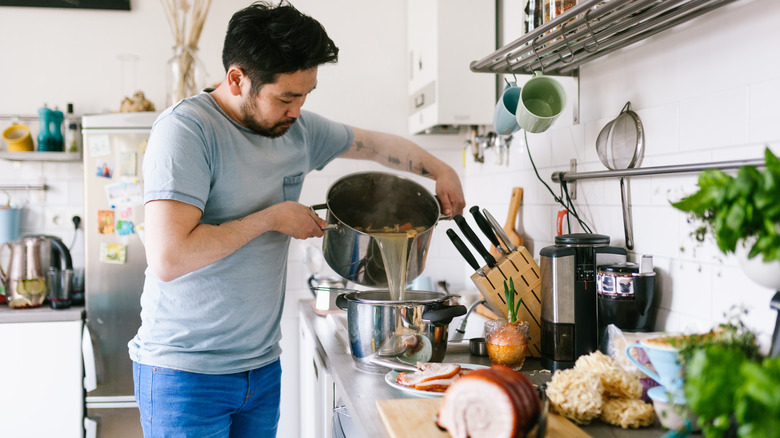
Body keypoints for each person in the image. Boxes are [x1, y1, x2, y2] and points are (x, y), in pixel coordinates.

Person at [128, 2, 465, 437]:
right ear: (237, 79)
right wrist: (271, 218)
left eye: (306, 96)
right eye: (286, 97)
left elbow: (373, 145)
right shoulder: (187, 131)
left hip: (261, 368)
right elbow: (169, 258)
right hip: (184, 375)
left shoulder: (296, 130)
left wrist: (442, 170)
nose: (297, 110)